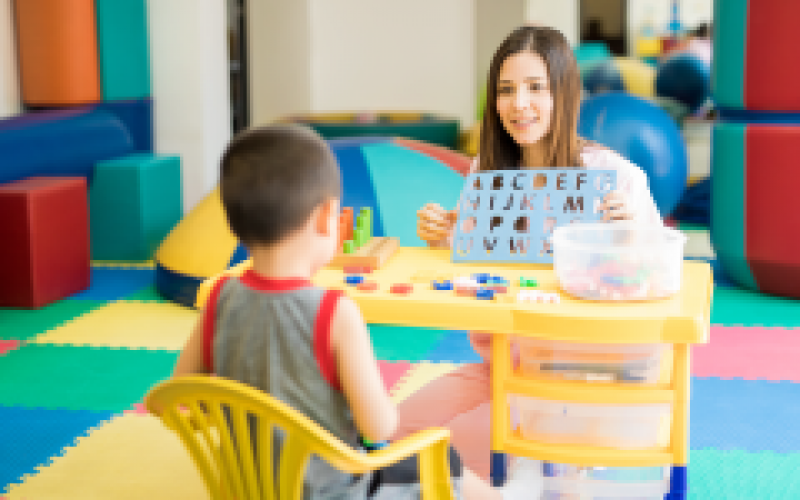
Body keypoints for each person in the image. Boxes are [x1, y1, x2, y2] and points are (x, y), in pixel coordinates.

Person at [145, 125, 503, 499]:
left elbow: (175, 399)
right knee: (447, 464)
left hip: (249, 487)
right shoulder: (334, 313)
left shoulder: (217, 298)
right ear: (325, 218)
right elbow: (379, 427)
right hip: (334, 491)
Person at [399, 25, 663, 480]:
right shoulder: (488, 173)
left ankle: (560, 474)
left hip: (581, 375)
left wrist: (629, 236)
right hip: (501, 362)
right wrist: (444, 234)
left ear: (565, 94)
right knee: (395, 435)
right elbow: (478, 256)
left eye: (536, 87)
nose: (518, 104)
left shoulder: (616, 175)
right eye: (506, 90)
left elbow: (661, 276)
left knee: (462, 461)